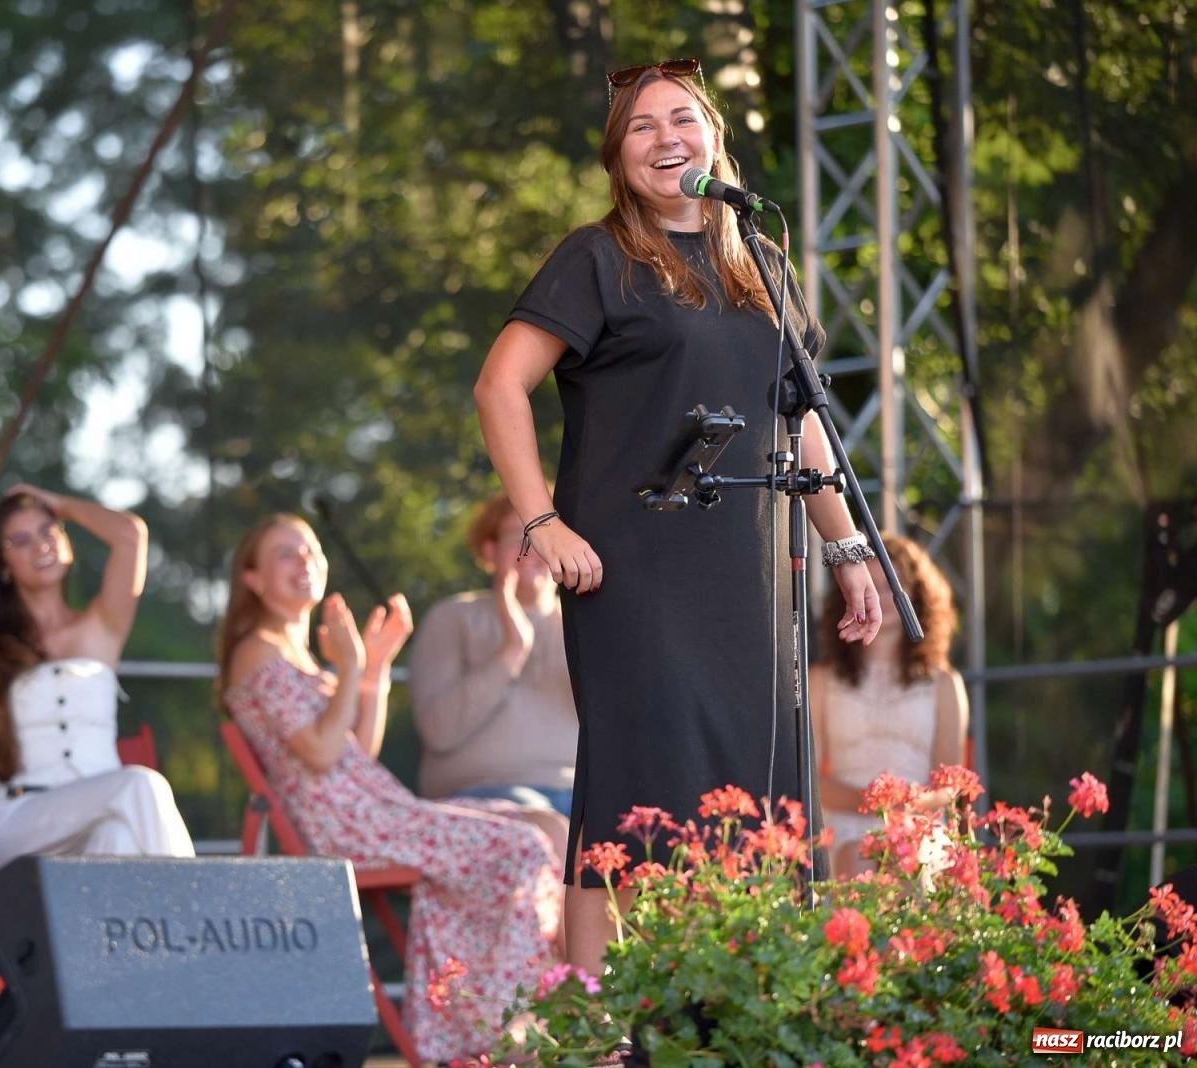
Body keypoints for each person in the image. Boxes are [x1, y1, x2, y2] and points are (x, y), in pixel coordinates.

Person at [472, 59, 884, 982]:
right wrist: (540, 523)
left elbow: (803, 421)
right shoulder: (597, 257)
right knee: (634, 795)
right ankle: (595, 1022)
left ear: (713, 138)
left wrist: (847, 546)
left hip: (746, 575)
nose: (668, 139)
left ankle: (729, 1007)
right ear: (619, 158)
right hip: (634, 570)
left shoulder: (764, 267)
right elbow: (500, 386)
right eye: (644, 127)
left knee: (751, 794)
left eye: (684, 120)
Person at [218, 515, 563, 1063]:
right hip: (347, 825)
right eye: (285, 553)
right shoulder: (258, 651)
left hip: (377, 809)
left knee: (547, 827)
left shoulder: (299, 656)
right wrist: (352, 667)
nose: (303, 560)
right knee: (522, 846)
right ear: (253, 579)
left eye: (309, 550)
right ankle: (504, 1033)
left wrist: (373, 669)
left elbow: (357, 750)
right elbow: (322, 755)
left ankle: (553, 1013)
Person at [0, 484, 193, 872]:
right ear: (3, 564)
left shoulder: (102, 626)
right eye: (20, 541)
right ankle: (199, 925)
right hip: (24, 820)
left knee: (121, 837)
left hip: (102, 816)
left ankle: (112, 935)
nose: (40, 546)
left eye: (48, 531)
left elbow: (130, 534)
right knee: (143, 785)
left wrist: (64, 506)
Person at [409, 491, 577, 863]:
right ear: (488, 551)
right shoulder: (453, 618)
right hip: (481, 800)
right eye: (518, 534)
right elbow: (439, 730)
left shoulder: (588, 624)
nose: (532, 547)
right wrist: (512, 650)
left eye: (545, 532)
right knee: (550, 835)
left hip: (579, 800)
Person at [812, 534, 967, 878]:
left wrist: (905, 807)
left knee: (904, 854)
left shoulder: (945, 684)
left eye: (893, 585)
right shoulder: (821, 680)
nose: (883, 597)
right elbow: (810, 780)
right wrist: (874, 803)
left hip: (918, 826)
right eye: (872, 585)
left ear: (917, 595)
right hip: (844, 827)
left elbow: (950, 786)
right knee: (861, 857)